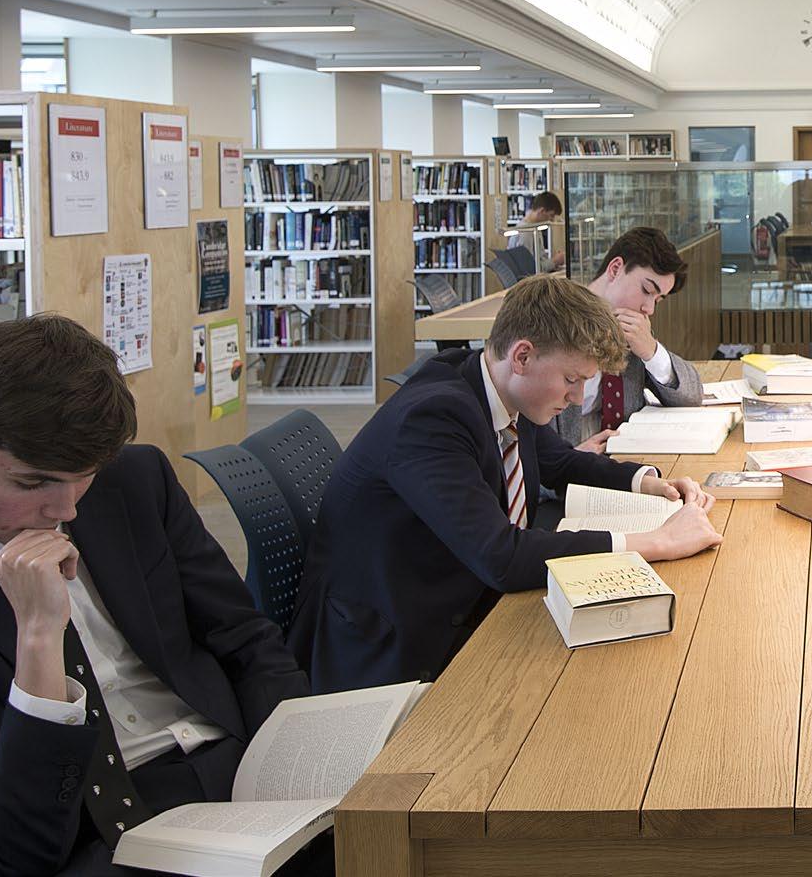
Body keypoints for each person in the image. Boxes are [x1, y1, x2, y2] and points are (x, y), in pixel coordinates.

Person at [0, 316, 321, 875]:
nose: (66, 509)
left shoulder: (135, 480)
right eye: (32, 482)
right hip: (93, 823)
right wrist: (38, 636)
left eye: (84, 475)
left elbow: (242, 634)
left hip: (232, 756)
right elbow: (13, 855)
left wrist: (296, 754)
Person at [289, 275, 722, 694]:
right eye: (572, 380)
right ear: (522, 356)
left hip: (463, 597)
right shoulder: (432, 419)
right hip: (395, 642)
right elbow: (501, 556)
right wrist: (660, 541)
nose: (576, 398)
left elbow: (558, 461)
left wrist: (647, 481)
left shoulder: (495, 386)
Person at [551, 227, 704, 452]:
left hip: (624, 457)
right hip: (565, 460)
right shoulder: (555, 327)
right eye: (646, 290)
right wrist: (572, 460)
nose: (649, 309)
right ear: (615, 269)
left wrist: (651, 352)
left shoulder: (632, 332)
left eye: (658, 300)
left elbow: (691, 396)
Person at [513, 190, 564, 273]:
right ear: (542, 211)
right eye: (551, 215)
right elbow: (529, 270)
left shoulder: (536, 228)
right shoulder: (526, 232)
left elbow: (540, 259)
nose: (552, 220)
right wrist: (555, 261)